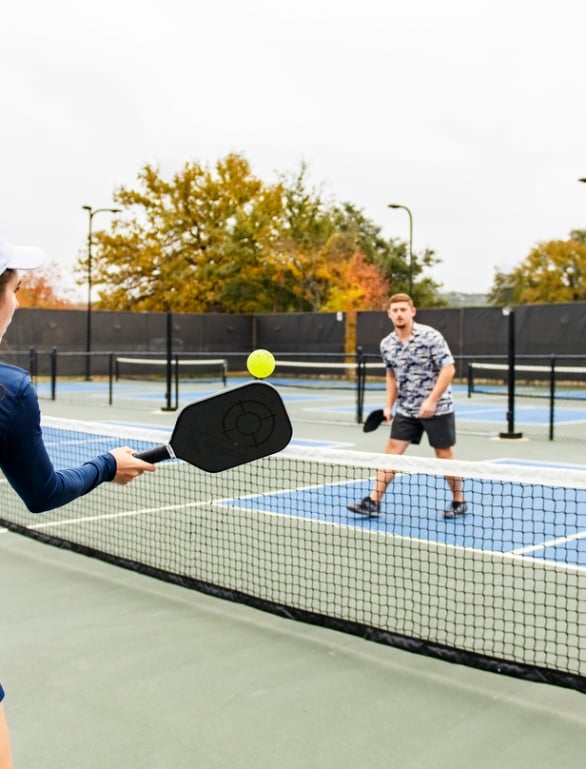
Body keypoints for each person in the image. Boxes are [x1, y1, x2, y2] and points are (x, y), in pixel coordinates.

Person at [0, 237, 156, 768]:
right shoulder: (9, 390)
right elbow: (42, 494)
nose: (17, 302)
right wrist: (107, 465)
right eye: (16, 290)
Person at [348, 293, 467, 519]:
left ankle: (458, 501)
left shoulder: (431, 336)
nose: (399, 314)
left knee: (444, 454)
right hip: (407, 410)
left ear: (412, 312)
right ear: (389, 314)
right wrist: (388, 406)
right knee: (391, 453)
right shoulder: (387, 344)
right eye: (395, 310)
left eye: (404, 309)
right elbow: (391, 376)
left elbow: (449, 369)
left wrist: (431, 400)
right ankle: (373, 501)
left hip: (438, 408)